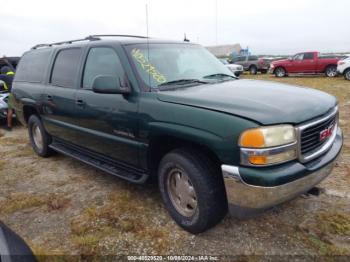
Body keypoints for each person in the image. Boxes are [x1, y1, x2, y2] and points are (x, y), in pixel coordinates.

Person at [0, 66, 15, 131]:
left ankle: (9, 126)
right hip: (20, 93)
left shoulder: (4, 76)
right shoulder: (15, 74)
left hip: (12, 93)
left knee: (10, 109)